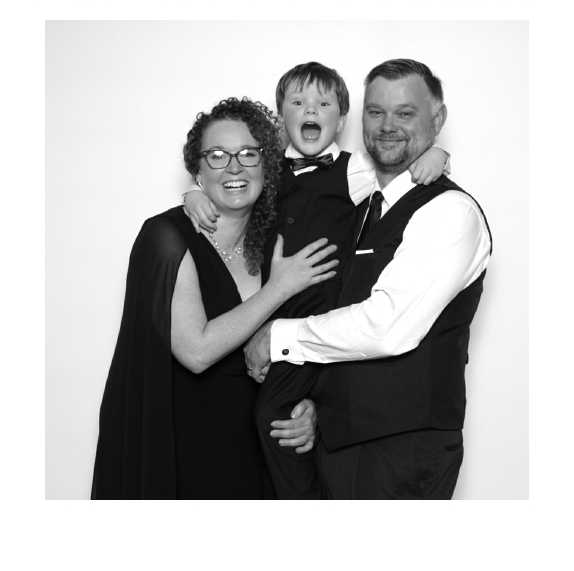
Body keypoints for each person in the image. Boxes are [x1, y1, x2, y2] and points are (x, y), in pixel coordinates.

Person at [185, 61, 450, 500]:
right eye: (299, 102)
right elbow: (230, 183)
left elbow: (402, 167)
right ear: (281, 118)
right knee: (272, 417)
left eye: (323, 104)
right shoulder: (268, 170)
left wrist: (437, 154)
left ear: (341, 120)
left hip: (322, 312)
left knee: (273, 414)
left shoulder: (355, 169)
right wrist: (192, 192)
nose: (311, 110)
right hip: (271, 308)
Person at [245, 60, 492, 501]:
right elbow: (340, 314)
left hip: (402, 453)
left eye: (405, 112)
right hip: (338, 447)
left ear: (437, 120)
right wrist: (314, 407)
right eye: (376, 112)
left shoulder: (448, 212)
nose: (387, 125)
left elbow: (385, 327)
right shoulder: (361, 209)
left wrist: (277, 336)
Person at [91, 96, 340, 498]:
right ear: (198, 171)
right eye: (218, 156)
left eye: (248, 153)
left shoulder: (276, 244)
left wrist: (308, 408)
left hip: (255, 456)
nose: (235, 167)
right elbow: (196, 350)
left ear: (266, 166)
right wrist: (278, 288)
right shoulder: (165, 238)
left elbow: (297, 345)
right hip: (180, 451)